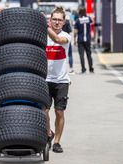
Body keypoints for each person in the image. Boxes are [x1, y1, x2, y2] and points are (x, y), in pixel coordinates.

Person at [46, 6, 71, 153]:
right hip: (45, 80)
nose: (56, 22)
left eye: (59, 20)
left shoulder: (66, 36)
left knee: (59, 112)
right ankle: (49, 132)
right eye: (54, 19)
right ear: (50, 20)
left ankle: (57, 142)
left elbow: (56, 39)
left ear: (63, 22)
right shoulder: (42, 37)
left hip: (61, 80)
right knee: (44, 111)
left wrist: (45, 27)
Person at [74, 6, 94, 74]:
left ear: (79, 12)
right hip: (88, 39)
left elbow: (75, 31)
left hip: (80, 39)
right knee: (89, 54)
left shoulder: (78, 20)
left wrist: (74, 40)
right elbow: (92, 23)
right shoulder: (88, 19)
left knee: (81, 55)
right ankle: (91, 68)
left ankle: (83, 69)